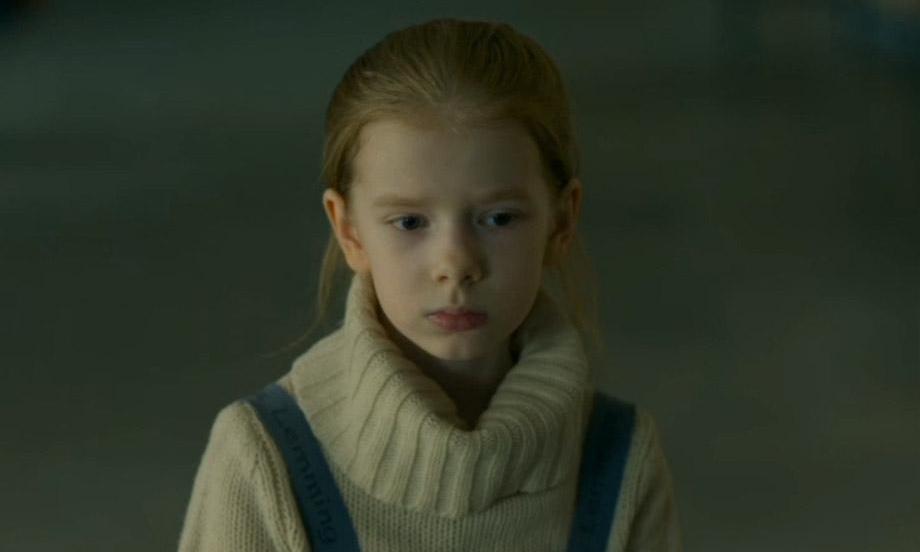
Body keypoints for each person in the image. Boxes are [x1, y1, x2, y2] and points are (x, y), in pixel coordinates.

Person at [178, 18, 682, 551]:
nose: (456, 265)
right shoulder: (267, 458)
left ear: (562, 221)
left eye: (499, 218)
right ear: (349, 231)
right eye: (410, 222)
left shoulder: (621, 463)